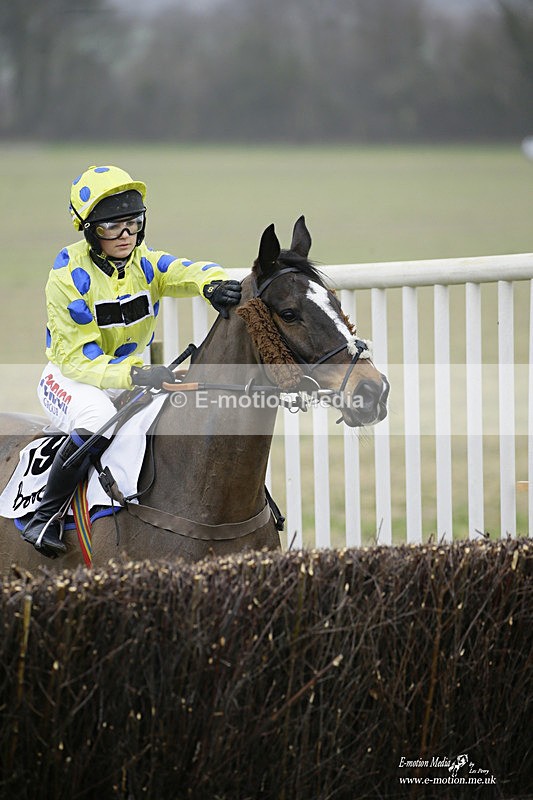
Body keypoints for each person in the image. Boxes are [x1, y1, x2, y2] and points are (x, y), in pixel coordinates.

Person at [23, 164, 241, 557]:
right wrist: (138, 374)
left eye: (133, 223)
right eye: (111, 227)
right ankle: (44, 517)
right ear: (89, 230)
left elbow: (186, 270)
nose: (125, 236)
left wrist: (213, 284)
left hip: (127, 377)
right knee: (93, 422)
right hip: (72, 379)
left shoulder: (144, 262)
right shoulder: (67, 274)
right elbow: (79, 361)